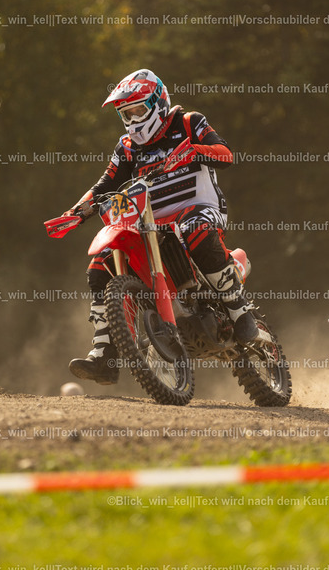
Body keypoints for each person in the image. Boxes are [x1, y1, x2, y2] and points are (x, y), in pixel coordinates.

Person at [65, 69, 258, 385]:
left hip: (199, 208)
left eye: (138, 110)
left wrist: (195, 150)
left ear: (157, 102)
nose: (132, 119)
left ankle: (239, 311)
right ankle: (104, 355)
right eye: (126, 114)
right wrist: (73, 213)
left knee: (195, 230)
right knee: (100, 266)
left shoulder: (189, 123)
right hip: (151, 223)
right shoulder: (127, 147)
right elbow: (104, 186)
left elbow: (226, 155)